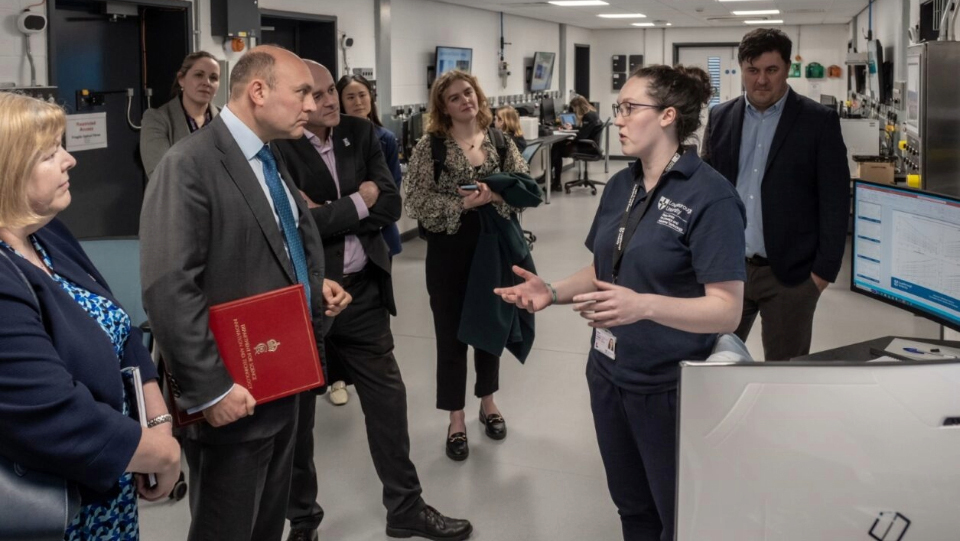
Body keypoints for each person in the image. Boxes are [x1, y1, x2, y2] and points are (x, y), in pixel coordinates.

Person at [494, 65, 747, 540]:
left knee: (675, 515)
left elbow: (726, 310)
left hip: (668, 384)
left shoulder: (711, 198)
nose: (620, 119)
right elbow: (603, 269)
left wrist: (644, 306)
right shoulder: (620, 185)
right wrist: (551, 291)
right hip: (609, 374)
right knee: (631, 508)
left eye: (631, 108)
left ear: (668, 116)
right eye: (619, 108)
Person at [140, 45, 351, 541]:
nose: (312, 105)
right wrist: (210, 388)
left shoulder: (268, 154)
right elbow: (169, 288)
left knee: (264, 525)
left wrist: (313, 286)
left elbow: (277, 241)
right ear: (258, 91)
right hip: (233, 391)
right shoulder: (189, 164)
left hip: (282, 376)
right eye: (302, 92)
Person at [274, 60, 473, 541]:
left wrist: (334, 211)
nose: (328, 102)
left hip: (363, 293)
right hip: (307, 302)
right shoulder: (277, 147)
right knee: (298, 421)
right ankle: (302, 520)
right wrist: (357, 204)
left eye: (330, 93)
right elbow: (295, 224)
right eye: (316, 94)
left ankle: (404, 508)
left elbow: (391, 204)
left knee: (388, 402)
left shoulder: (361, 134)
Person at [0, 92, 181, 540]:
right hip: (52, 504)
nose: (70, 161)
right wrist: (159, 455)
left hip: (111, 478)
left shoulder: (49, 234)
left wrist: (156, 424)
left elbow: (122, 332)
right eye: (50, 154)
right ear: (8, 172)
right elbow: (51, 416)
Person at [701, 28, 850, 361]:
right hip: (727, 269)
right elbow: (706, 191)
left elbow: (835, 201)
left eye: (772, 70)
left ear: (787, 69)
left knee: (785, 374)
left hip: (790, 277)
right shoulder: (721, 117)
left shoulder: (818, 121)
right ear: (742, 69)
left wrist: (821, 275)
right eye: (753, 70)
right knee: (710, 365)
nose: (762, 80)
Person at [405, 70, 530, 462]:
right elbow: (415, 201)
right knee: (452, 333)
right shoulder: (431, 147)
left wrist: (493, 194)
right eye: (455, 97)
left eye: (469, 92)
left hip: (494, 249)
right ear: (442, 107)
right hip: (450, 252)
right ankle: (455, 418)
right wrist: (463, 204)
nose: (465, 101)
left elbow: (525, 187)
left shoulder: (499, 139)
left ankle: (488, 403)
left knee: (491, 324)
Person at [327, 73, 404, 407]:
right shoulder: (321, 142)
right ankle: (338, 379)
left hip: (377, 240)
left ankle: (365, 370)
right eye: (350, 97)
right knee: (333, 315)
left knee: (372, 311)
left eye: (363, 95)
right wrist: (356, 204)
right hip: (334, 250)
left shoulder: (383, 138)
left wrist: (337, 213)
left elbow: (388, 198)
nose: (358, 102)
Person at [140, 51, 221, 177]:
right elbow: (162, 175)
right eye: (199, 75)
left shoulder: (227, 119)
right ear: (181, 79)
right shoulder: (157, 119)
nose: (207, 82)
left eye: (213, 78)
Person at [551, 95, 602, 189]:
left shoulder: (588, 117)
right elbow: (585, 131)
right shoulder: (592, 114)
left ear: (578, 107)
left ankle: (555, 181)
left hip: (587, 148)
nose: (574, 111)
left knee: (556, 148)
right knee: (557, 146)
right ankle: (553, 180)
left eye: (574, 108)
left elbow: (582, 136)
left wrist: (569, 138)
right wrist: (573, 128)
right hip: (591, 146)